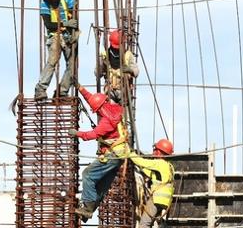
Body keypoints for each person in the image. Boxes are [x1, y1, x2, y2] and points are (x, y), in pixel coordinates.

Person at [70, 85, 129, 221]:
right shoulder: (115, 109)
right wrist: (80, 88)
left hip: (112, 155)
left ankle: (87, 208)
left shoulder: (107, 122)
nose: (96, 113)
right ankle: (89, 210)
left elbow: (91, 135)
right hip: (119, 156)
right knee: (101, 186)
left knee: (88, 175)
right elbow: (93, 99)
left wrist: (76, 133)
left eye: (96, 111)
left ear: (99, 108)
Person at [35, 0, 78, 100]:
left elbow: (74, 18)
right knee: (52, 61)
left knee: (72, 65)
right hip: (55, 36)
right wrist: (65, 24)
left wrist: (73, 31)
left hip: (68, 36)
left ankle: (62, 91)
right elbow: (49, 25)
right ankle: (40, 89)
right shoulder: (44, 4)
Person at [130, 139, 175, 228]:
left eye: (156, 149)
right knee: (157, 223)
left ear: (159, 152)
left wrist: (129, 154)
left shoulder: (159, 163)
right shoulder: (169, 166)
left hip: (157, 199)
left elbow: (141, 162)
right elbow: (153, 174)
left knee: (144, 224)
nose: (154, 152)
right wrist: (141, 169)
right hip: (165, 201)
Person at [96, 29, 139, 104]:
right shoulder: (105, 55)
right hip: (110, 90)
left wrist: (130, 70)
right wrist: (101, 65)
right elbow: (97, 73)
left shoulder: (128, 55)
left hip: (124, 91)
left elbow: (136, 71)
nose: (116, 49)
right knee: (111, 112)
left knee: (124, 114)